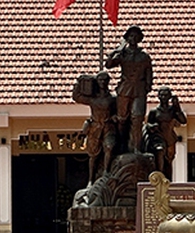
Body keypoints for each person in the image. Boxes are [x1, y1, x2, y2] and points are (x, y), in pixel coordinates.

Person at [105, 25, 153, 153]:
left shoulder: (144, 56)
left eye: (136, 36)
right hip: (125, 89)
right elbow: (109, 64)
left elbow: (149, 72)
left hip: (139, 89)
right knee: (122, 119)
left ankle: (136, 148)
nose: (133, 38)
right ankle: (121, 145)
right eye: (131, 35)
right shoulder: (122, 54)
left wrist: (148, 85)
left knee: (137, 118)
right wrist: (119, 48)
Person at [72, 71, 118, 181]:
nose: (102, 82)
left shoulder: (112, 99)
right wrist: (78, 83)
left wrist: (115, 117)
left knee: (109, 146)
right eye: (100, 80)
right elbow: (77, 97)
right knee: (93, 155)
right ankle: (91, 179)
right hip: (95, 127)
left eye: (105, 80)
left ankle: (106, 172)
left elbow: (121, 111)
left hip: (108, 127)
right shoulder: (93, 99)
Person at [143, 86, 186, 178]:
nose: (163, 97)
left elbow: (183, 121)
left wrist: (177, 107)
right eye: (161, 95)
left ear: (169, 96)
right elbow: (147, 125)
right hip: (158, 137)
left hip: (170, 138)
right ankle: (159, 177)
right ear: (158, 96)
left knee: (168, 161)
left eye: (166, 95)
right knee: (159, 152)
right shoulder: (154, 112)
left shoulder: (173, 110)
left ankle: (167, 181)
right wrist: (152, 126)